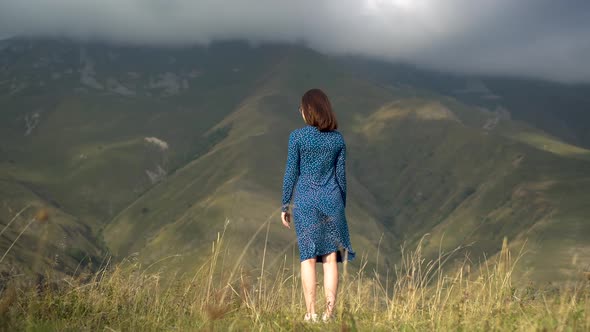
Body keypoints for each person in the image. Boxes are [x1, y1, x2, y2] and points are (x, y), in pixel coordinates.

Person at [280, 88, 356, 323]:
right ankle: (329, 314)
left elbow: (291, 172)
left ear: (308, 110)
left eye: (302, 108)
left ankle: (310, 312)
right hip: (332, 200)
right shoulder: (337, 139)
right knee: (331, 259)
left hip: (305, 202)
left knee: (308, 257)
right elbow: (341, 177)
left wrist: (285, 205)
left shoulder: (298, 137)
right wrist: (339, 205)